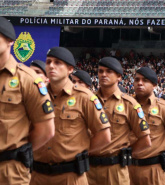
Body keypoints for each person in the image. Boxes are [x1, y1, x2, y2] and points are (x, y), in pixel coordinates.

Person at [30, 47, 111, 185]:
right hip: (37, 175)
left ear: (70, 69)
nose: (51, 66)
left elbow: (104, 136)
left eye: (57, 63)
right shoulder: (35, 95)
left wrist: (80, 151)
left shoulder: (84, 97)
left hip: (70, 175)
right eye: (48, 62)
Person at [0, 17, 55, 185]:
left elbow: (46, 130)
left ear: (10, 41)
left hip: (9, 170)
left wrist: (16, 150)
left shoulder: (27, 79)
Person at [87, 57, 151, 185]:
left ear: (119, 77)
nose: (103, 74)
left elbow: (145, 140)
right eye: (100, 71)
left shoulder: (129, 104)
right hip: (88, 169)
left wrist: (125, 154)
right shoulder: (87, 100)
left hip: (115, 170)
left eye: (109, 71)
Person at [129, 67, 165, 185]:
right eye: (137, 79)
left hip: (153, 170)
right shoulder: (127, 105)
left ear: (154, 85)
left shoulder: (163, 108)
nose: (139, 83)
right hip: (127, 168)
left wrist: (161, 151)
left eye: (145, 80)